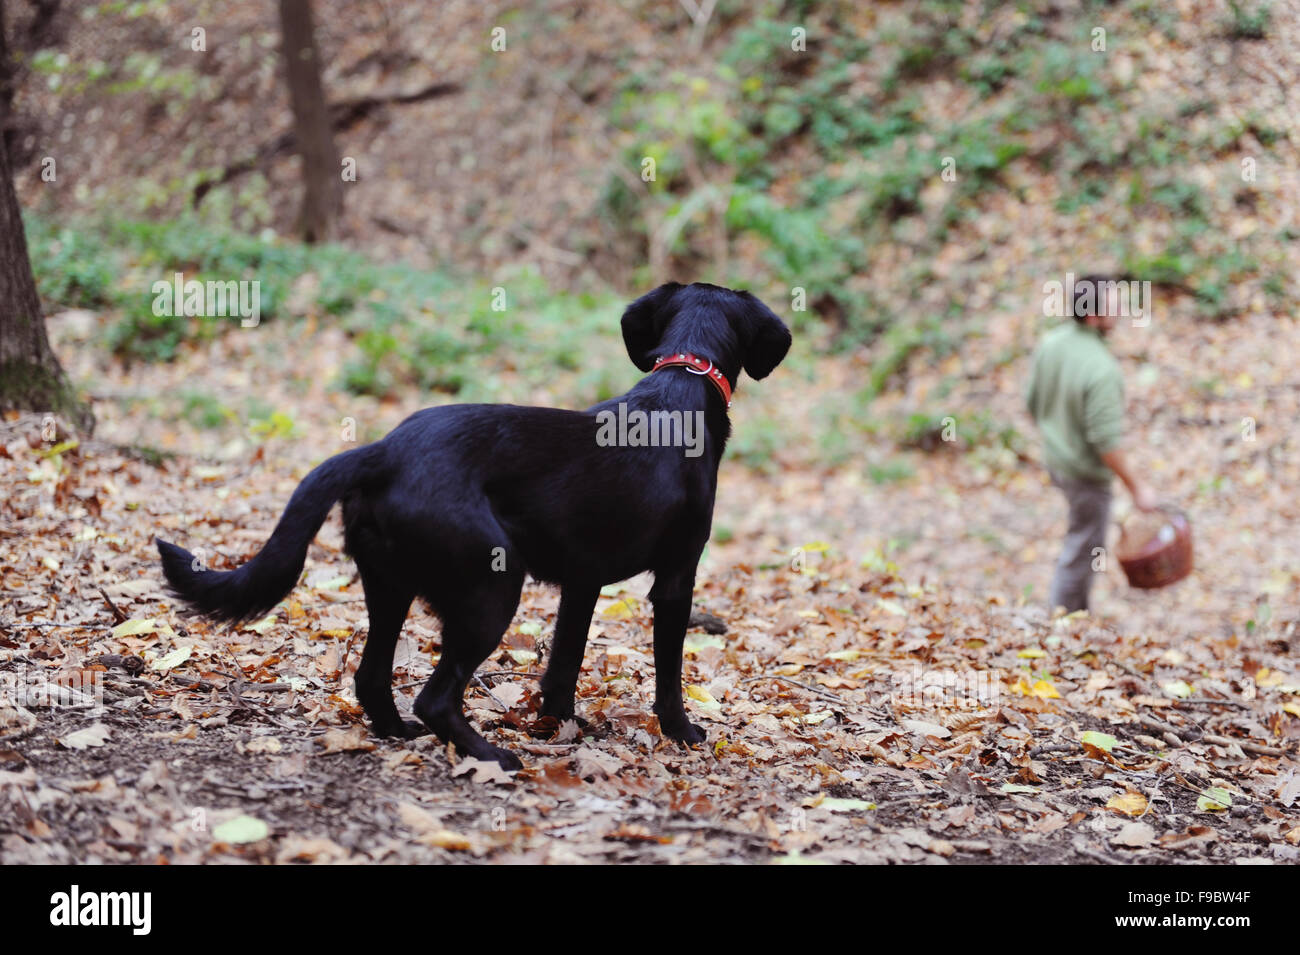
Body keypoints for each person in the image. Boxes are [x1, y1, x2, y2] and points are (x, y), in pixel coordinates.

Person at [1026, 274, 1157, 613]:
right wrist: (1137, 487)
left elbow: (1032, 403)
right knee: (1084, 549)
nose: (1122, 312)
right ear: (1092, 315)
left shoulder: (1052, 343)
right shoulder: (1101, 369)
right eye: (1115, 306)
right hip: (1084, 476)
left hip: (1056, 461)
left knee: (1081, 540)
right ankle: (1064, 624)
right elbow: (1106, 443)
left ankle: (1070, 617)